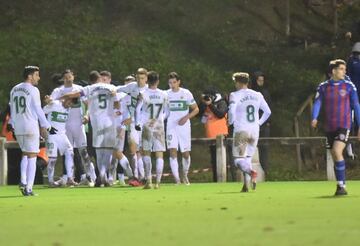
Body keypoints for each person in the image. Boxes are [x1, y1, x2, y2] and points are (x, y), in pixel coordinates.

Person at [312, 59, 360, 196]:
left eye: (345, 69)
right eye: (341, 69)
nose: (344, 71)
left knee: (337, 151)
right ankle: (341, 185)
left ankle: (341, 186)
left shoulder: (349, 86)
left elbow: (356, 105)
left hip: (344, 125)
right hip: (329, 126)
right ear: (333, 71)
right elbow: (318, 102)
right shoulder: (323, 87)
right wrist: (314, 117)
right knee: (334, 154)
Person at [9, 66, 52, 196]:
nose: (38, 78)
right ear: (30, 76)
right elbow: (38, 109)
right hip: (30, 125)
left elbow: (12, 109)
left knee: (25, 153)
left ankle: (23, 180)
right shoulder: (33, 90)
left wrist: (12, 124)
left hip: (18, 126)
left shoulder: (14, 89)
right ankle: (29, 188)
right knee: (33, 156)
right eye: (36, 75)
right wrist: (46, 124)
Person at [50, 69, 96, 187]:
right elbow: (50, 103)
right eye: (65, 77)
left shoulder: (79, 89)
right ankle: (68, 178)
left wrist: (87, 115)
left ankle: (92, 177)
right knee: (68, 153)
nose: (68, 79)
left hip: (78, 125)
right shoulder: (58, 91)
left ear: (73, 77)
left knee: (83, 152)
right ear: (63, 79)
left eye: (70, 76)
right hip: (64, 127)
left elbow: (89, 103)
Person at [228, 72, 271, 192]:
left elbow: (231, 111)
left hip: (241, 130)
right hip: (254, 130)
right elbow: (267, 112)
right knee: (247, 158)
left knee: (238, 160)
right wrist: (259, 123)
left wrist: (230, 122)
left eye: (235, 82)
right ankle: (246, 185)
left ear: (238, 82)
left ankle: (251, 172)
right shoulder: (257, 94)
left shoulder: (234, 95)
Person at [100, 71, 140, 187]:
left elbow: (121, 110)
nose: (103, 82)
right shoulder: (107, 92)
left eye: (105, 79)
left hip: (119, 126)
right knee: (113, 153)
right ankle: (111, 178)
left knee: (118, 152)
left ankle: (130, 176)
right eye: (101, 80)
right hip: (110, 126)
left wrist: (122, 127)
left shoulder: (123, 95)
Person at [135, 71, 169, 189]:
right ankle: (158, 182)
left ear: (147, 81)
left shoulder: (143, 93)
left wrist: (137, 123)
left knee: (146, 152)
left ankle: (148, 181)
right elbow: (167, 112)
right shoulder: (164, 94)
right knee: (159, 154)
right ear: (158, 81)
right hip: (159, 126)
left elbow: (137, 110)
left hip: (147, 125)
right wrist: (159, 119)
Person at [166, 72, 199, 185]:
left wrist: (186, 117)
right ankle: (177, 179)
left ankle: (185, 175)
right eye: (170, 82)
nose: (172, 84)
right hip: (171, 126)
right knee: (172, 151)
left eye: (174, 82)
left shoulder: (186, 93)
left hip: (183, 126)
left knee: (185, 153)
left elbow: (196, 109)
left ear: (179, 82)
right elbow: (163, 111)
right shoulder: (166, 94)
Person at [117, 68, 148, 181]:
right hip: (134, 124)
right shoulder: (132, 87)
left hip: (145, 125)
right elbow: (119, 89)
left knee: (144, 151)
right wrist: (111, 89)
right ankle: (136, 176)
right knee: (133, 150)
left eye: (142, 78)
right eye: (138, 78)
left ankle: (144, 176)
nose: (140, 80)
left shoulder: (149, 90)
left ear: (146, 78)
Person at [43, 98, 78, 187]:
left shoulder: (68, 108)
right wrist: (43, 128)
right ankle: (50, 181)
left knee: (70, 152)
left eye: (71, 104)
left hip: (62, 134)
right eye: (69, 102)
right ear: (64, 99)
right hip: (52, 133)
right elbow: (42, 112)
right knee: (53, 159)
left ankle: (70, 179)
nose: (69, 105)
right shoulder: (54, 104)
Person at [198, 87, 228, 182]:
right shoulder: (205, 103)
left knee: (222, 160)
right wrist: (203, 103)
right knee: (214, 160)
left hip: (221, 135)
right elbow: (198, 114)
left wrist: (210, 104)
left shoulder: (221, 102)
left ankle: (224, 179)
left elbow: (220, 114)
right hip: (211, 136)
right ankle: (216, 180)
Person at [252, 71, 271, 173]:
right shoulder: (251, 93)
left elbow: (268, 110)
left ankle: (265, 171)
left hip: (263, 124)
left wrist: (265, 122)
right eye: (259, 80)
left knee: (264, 148)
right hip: (252, 125)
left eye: (262, 81)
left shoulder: (265, 92)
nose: (261, 82)